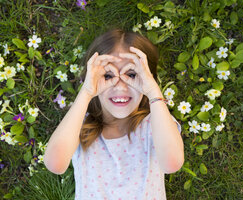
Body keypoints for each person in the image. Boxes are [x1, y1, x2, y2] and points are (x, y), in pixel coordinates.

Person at [43, 28, 184, 199]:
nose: (120, 86)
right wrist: (86, 92)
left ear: (148, 79)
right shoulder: (79, 126)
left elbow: (172, 164)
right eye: (108, 76)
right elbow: (54, 164)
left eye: (131, 74)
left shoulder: (155, 123)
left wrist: (154, 93)